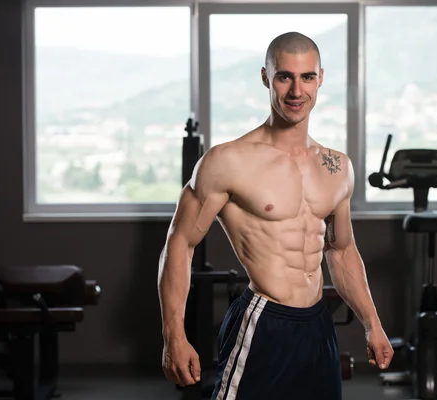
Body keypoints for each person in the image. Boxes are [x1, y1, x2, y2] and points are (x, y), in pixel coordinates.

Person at [158, 31, 393, 400]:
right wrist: (174, 335)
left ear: (320, 78)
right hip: (263, 322)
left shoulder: (337, 167)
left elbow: (341, 251)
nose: (296, 90)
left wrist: (372, 324)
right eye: (284, 76)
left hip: (318, 325)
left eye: (307, 77)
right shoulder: (228, 161)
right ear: (266, 78)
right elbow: (180, 244)